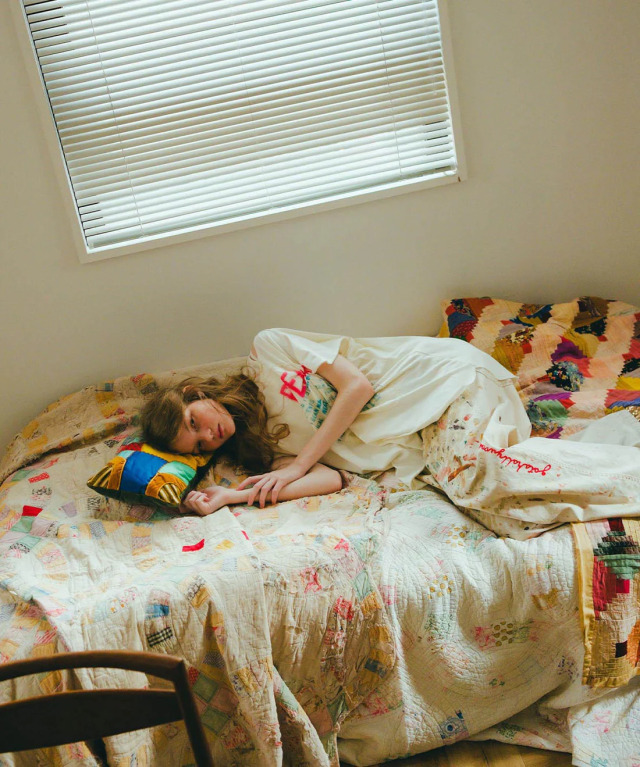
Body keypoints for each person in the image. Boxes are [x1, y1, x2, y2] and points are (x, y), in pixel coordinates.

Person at [141, 328, 640, 538]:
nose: (209, 435)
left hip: (443, 381)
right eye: (199, 444)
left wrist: (298, 463)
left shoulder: (269, 348)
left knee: (472, 478)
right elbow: (333, 479)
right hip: (426, 433)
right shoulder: (261, 450)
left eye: (194, 422)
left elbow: (356, 386)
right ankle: (616, 450)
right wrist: (231, 496)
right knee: (502, 521)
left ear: (192, 393)